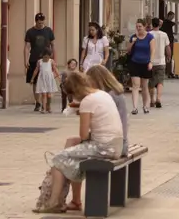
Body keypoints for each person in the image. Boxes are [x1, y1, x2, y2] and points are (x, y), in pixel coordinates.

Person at [35, 71, 124, 214]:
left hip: (104, 147)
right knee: (71, 146)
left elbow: (83, 135)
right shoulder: (102, 94)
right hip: (115, 144)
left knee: (58, 159)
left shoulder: (88, 101)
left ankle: (54, 202)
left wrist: (83, 114)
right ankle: (69, 198)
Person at [86, 65, 129, 157]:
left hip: (114, 145)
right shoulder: (116, 93)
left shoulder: (108, 96)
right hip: (121, 141)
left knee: (75, 147)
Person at [24, 12, 55, 112]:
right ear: (36, 21)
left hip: (46, 60)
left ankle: (45, 104)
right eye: (39, 23)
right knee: (35, 82)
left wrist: (54, 58)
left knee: (46, 81)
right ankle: (38, 102)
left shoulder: (48, 31)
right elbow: (27, 47)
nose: (41, 24)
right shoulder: (30, 32)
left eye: (42, 23)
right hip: (34, 59)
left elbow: (53, 45)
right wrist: (26, 59)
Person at [126, 20, 155, 114]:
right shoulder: (133, 37)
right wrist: (132, 43)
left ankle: (145, 106)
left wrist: (151, 62)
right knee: (135, 85)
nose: (138, 28)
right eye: (137, 26)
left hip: (146, 63)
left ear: (144, 26)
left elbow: (152, 51)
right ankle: (134, 107)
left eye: (140, 26)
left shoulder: (150, 37)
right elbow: (128, 51)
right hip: (135, 63)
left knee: (145, 86)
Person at [149, 17, 171, 108]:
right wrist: (168, 56)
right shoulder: (164, 34)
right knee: (160, 81)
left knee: (151, 82)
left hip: (150, 62)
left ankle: (152, 100)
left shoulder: (149, 34)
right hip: (161, 62)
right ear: (159, 25)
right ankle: (158, 98)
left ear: (152, 24)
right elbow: (167, 47)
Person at [160, 11, 177, 77]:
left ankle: (167, 71)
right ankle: (168, 72)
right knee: (169, 56)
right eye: (172, 16)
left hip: (167, 41)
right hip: (169, 41)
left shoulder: (165, 22)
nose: (173, 18)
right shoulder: (167, 22)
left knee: (166, 56)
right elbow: (175, 23)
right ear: (169, 16)